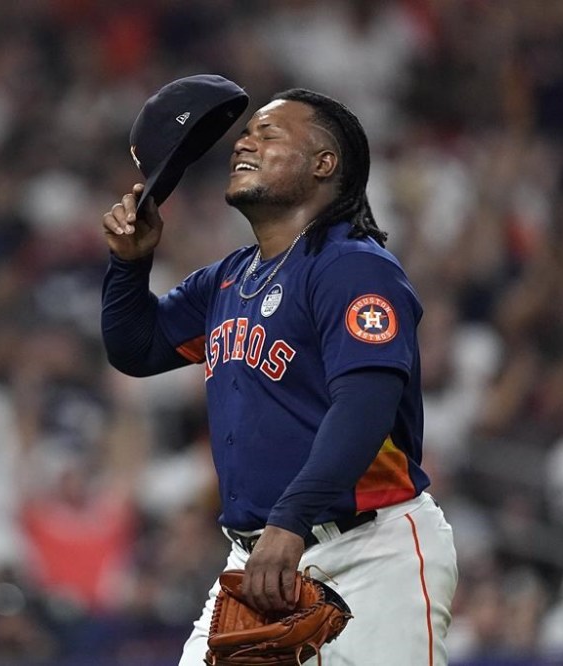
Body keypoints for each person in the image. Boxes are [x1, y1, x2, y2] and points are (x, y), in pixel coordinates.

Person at [100, 87, 458, 664]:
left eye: (269, 134)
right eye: (245, 134)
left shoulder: (353, 266)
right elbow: (136, 349)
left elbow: (365, 405)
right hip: (257, 559)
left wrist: (289, 523)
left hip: (371, 552)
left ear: (324, 164)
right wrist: (128, 263)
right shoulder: (228, 278)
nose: (245, 141)